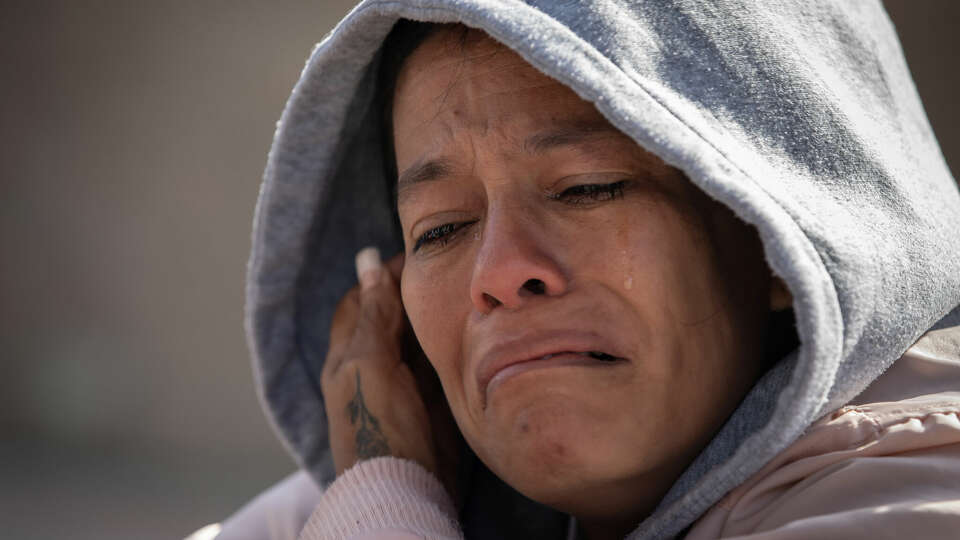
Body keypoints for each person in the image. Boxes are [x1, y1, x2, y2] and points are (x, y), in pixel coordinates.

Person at [204, 1, 960, 539]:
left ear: (780, 238)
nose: (499, 273)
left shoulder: (916, 488)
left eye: (586, 188)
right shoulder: (405, 482)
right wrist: (382, 481)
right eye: (443, 229)